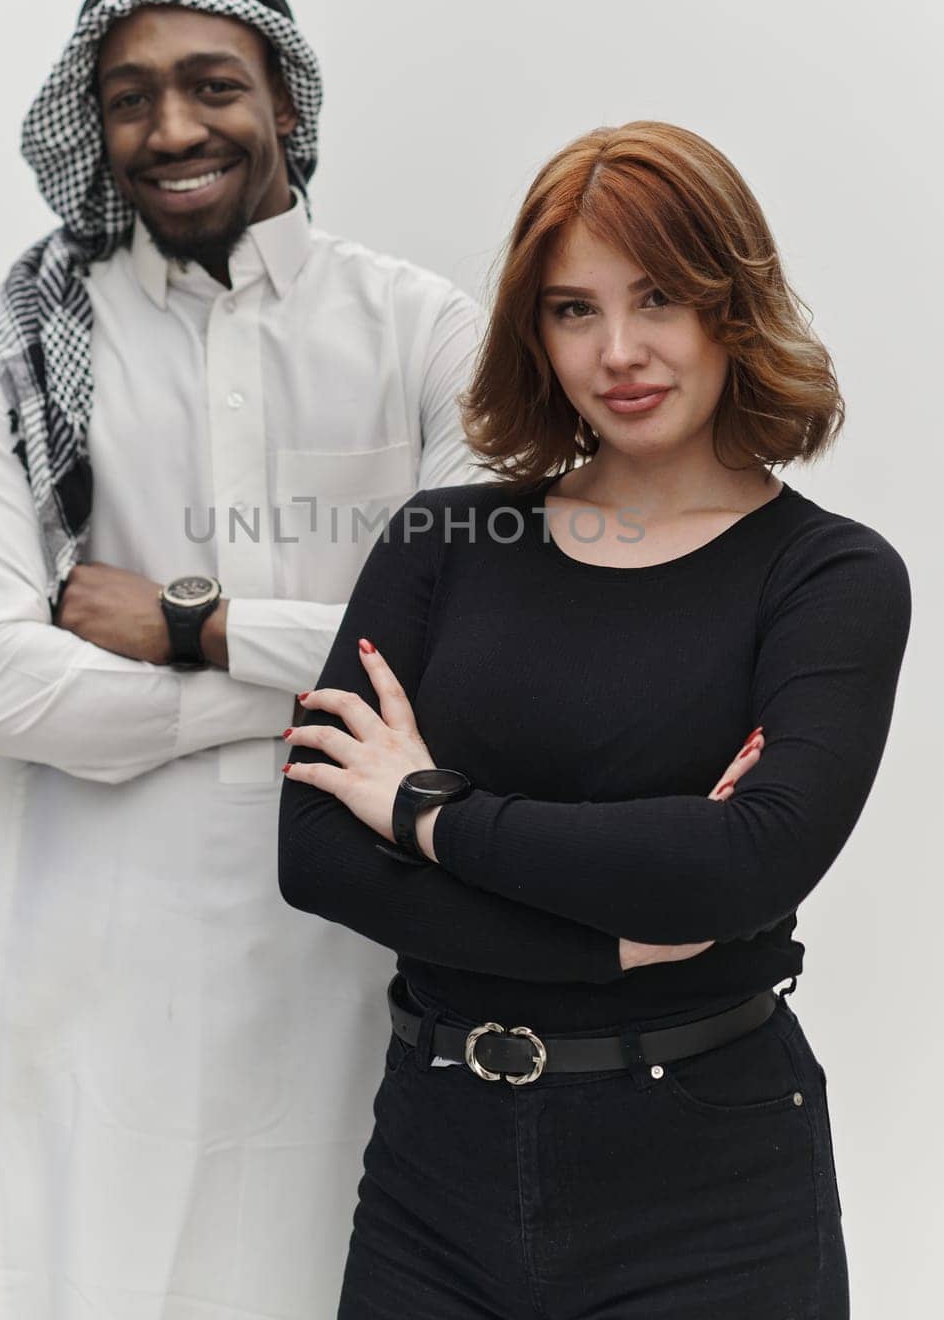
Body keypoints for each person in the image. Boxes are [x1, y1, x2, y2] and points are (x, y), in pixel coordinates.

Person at [0, 0, 487, 1320]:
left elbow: (476, 636)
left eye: (209, 85)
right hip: (83, 950)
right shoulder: (19, 342)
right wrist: (325, 680)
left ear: (285, 101)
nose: (169, 130)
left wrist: (189, 626)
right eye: (127, 97)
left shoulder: (419, 330)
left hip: (353, 945)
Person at [278, 120, 912, 1320]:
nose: (616, 351)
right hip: (432, 1165)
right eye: (572, 309)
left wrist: (424, 810)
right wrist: (607, 942)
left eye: (658, 298)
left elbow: (742, 865)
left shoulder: (828, 578)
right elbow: (314, 857)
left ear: (733, 306)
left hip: (711, 1185)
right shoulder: (442, 542)